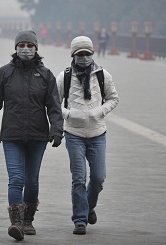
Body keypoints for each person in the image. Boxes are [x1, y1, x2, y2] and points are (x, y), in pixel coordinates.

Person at [0, 30, 64, 241]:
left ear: (36, 48)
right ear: (16, 48)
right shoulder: (4, 73)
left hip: (37, 136)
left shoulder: (46, 75)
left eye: (29, 45)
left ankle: (28, 220)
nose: (26, 48)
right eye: (22, 45)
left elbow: (54, 106)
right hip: (12, 136)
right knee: (16, 178)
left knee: (32, 180)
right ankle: (16, 222)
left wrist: (56, 130)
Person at [56, 36, 119, 235]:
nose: (84, 58)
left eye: (87, 54)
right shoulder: (64, 77)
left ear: (93, 54)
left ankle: (89, 206)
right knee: (78, 178)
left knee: (99, 178)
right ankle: (80, 220)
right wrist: (68, 114)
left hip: (98, 133)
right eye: (79, 54)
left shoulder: (102, 75)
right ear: (73, 55)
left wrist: (99, 111)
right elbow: (53, 104)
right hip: (74, 134)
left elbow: (113, 98)